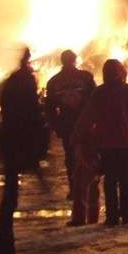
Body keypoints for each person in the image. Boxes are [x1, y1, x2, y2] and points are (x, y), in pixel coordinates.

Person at [76, 59, 128, 226]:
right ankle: (126, 214)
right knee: (125, 177)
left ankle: (111, 216)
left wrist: (78, 136)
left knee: (110, 178)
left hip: (106, 142)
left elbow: (87, 116)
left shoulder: (99, 92)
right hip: (126, 142)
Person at [0, 48, 49, 254]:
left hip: (9, 141)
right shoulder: (24, 81)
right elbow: (31, 115)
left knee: (9, 197)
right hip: (19, 142)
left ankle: (6, 251)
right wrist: (39, 144)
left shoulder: (11, 82)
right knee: (9, 199)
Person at [44, 50, 96, 199]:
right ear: (75, 60)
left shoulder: (53, 81)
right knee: (88, 156)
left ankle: (74, 190)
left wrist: (55, 124)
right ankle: (88, 189)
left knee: (71, 158)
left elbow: (50, 107)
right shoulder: (86, 77)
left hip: (67, 125)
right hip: (85, 123)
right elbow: (95, 99)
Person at [66, 104, 100, 226]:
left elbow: (78, 141)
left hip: (86, 160)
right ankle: (93, 217)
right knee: (93, 190)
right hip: (94, 160)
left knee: (80, 189)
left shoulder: (84, 128)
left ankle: (79, 218)